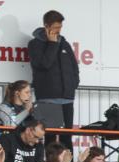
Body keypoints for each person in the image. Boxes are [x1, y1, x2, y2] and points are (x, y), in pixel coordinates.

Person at [28, 9, 79, 147]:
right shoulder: (35, 44)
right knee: (49, 136)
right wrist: (52, 44)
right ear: (46, 26)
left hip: (67, 97)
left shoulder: (65, 43)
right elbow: (44, 64)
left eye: (60, 26)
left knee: (67, 137)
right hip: (47, 98)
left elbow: (74, 67)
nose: (58, 30)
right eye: (56, 27)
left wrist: (73, 84)